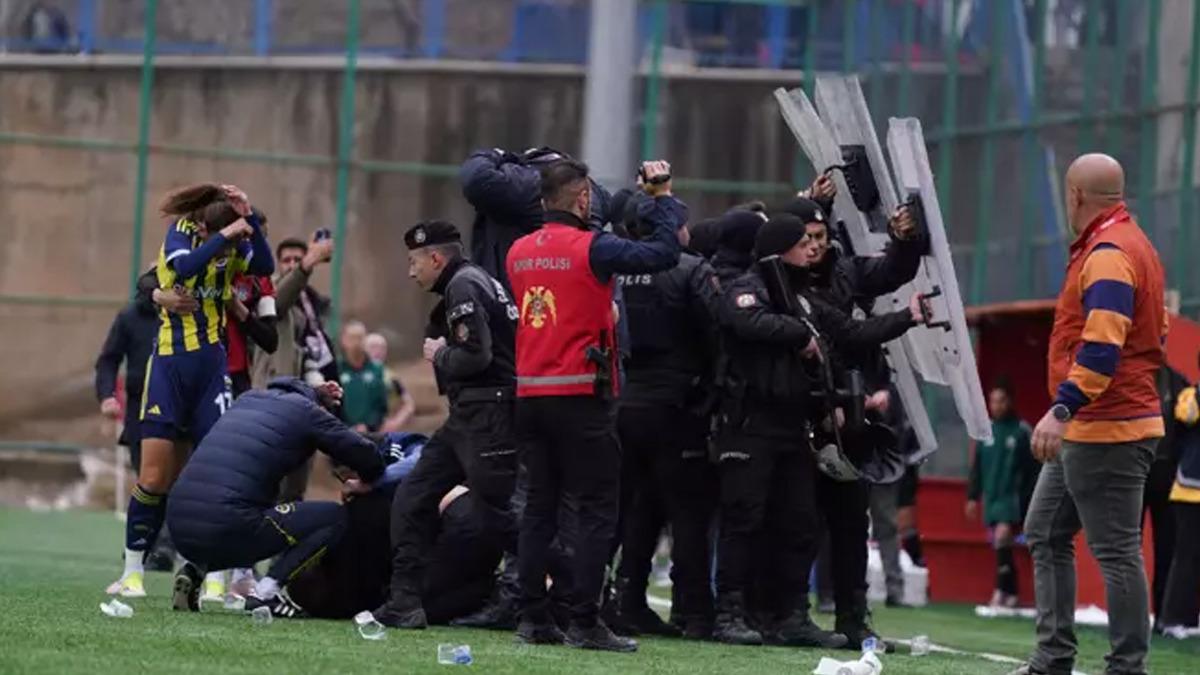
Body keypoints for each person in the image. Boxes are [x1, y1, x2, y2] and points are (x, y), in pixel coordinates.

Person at [712, 213, 925, 647]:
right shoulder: (749, 288)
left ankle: (792, 616)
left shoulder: (804, 298)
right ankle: (730, 613)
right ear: (779, 249)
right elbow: (746, 320)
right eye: (802, 242)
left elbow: (850, 332)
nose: (812, 249)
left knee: (800, 523)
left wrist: (908, 316)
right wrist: (797, 334)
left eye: (815, 240)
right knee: (744, 519)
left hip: (794, 426)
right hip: (751, 424)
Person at [506, 158, 681, 653]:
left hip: (530, 395)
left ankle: (532, 616)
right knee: (597, 509)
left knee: (539, 507)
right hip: (581, 395)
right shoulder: (593, 247)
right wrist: (663, 198)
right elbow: (665, 253)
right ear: (583, 199)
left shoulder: (518, 251)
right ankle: (584, 619)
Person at [1011, 153, 1166, 675]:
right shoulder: (1133, 243)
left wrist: (1061, 408)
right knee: (1045, 531)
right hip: (1097, 424)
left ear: (1074, 195)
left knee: (1116, 551)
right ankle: (1053, 657)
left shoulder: (1108, 254)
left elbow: (1102, 349)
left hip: (1108, 426)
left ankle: (1126, 667)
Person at [107, 183, 273, 600]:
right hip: (169, 368)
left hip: (212, 371)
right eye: (215, 238)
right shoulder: (181, 234)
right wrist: (225, 236)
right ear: (200, 227)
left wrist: (248, 220)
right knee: (154, 476)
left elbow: (264, 266)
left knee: (216, 478)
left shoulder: (233, 241)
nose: (222, 253)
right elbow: (181, 269)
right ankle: (132, 573)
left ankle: (213, 576)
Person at [368, 220, 519, 630]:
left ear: (435, 258)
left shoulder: (464, 285)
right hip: (470, 417)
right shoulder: (473, 281)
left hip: (489, 415)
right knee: (413, 495)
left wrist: (439, 354)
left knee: (500, 515)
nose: (410, 271)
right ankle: (404, 602)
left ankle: (571, 593)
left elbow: (476, 355)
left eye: (414, 262)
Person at [165, 378, 383, 615]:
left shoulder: (246, 400)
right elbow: (363, 452)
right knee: (334, 517)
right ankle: (267, 591)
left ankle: (195, 570)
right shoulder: (307, 412)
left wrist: (314, 394)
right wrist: (369, 478)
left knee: (246, 503)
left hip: (178, 523)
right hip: (228, 522)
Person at [610, 188, 721, 640]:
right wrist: (708, 396)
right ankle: (694, 611)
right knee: (688, 514)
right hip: (677, 407)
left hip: (624, 405)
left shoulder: (615, 269)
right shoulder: (691, 269)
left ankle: (626, 601)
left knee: (635, 510)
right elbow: (717, 335)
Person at [288, 434, 504, 624]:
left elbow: (421, 461)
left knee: (417, 604)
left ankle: (492, 593)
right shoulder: (377, 495)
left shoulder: (399, 456)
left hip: (463, 519)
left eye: (346, 475)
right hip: (465, 523)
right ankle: (491, 591)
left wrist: (374, 483)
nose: (347, 483)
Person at [252, 234, 336, 504]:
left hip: (303, 400)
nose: (292, 265)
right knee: (270, 479)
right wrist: (307, 263)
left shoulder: (311, 303)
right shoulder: (269, 292)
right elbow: (277, 303)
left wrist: (318, 384)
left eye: (297, 259)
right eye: (286, 260)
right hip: (271, 395)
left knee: (296, 482)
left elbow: (307, 350)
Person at [460, 147, 612, 293]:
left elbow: (477, 179)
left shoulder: (527, 185)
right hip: (580, 296)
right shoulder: (592, 189)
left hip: (534, 298)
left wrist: (491, 155)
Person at [965, 383, 1040, 610]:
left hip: (1012, 499)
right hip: (992, 497)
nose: (996, 406)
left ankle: (999, 591)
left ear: (1010, 402)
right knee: (1002, 545)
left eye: (1001, 401)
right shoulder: (985, 432)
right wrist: (973, 496)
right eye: (993, 401)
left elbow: (1033, 470)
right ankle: (1012, 592)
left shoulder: (1021, 431)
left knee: (1001, 537)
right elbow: (977, 468)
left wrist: (1029, 501)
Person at [1159, 369, 1200, 637]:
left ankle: (1191, 620)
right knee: (1186, 556)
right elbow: (1188, 415)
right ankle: (1173, 619)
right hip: (1189, 489)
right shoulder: (1189, 395)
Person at [338, 321, 390, 433]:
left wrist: (369, 426)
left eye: (360, 338)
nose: (356, 343)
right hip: (342, 433)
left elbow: (382, 405)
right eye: (352, 338)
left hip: (372, 434)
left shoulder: (377, 369)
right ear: (343, 340)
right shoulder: (336, 369)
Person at [365, 332, 416, 432]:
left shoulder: (390, 376)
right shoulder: (350, 374)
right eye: (373, 347)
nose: (378, 351)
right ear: (363, 349)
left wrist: (396, 422)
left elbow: (409, 404)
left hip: (383, 431)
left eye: (382, 348)